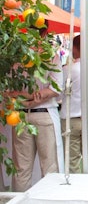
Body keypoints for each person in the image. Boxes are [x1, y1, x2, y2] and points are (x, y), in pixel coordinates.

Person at [8, 27, 64, 192]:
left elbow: (10, 90)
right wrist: (36, 98)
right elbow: (56, 88)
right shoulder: (50, 56)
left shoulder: (16, 58)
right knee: (50, 167)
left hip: (21, 116)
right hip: (45, 114)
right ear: (45, 33)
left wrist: (26, 99)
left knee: (21, 169)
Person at [59, 35, 88, 174]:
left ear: (75, 48)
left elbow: (60, 93)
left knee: (72, 161)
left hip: (71, 119)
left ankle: (77, 192)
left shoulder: (68, 69)